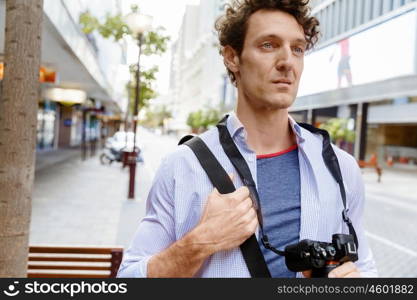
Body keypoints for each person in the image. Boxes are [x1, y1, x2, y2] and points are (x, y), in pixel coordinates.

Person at [117, 0, 377, 278]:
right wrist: (200, 242)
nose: (287, 61)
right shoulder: (181, 167)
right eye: (268, 45)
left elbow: (363, 266)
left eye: (297, 49)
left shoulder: (340, 168)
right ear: (232, 57)